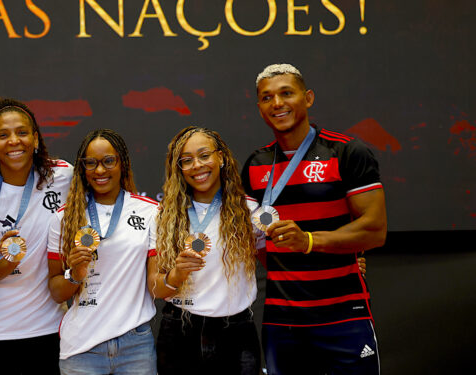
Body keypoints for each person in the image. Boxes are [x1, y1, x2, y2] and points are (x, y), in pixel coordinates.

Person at [242, 63, 387, 374]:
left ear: (307, 98)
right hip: (283, 321)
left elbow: (375, 230)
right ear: (259, 108)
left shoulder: (346, 151)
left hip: (344, 315)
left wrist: (308, 241)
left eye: (286, 93)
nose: (277, 104)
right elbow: (255, 240)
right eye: (267, 98)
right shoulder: (255, 164)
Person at [0, 97, 73, 375]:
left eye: (22, 132)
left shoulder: (63, 176)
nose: (14, 141)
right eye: (3, 135)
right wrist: (10, 262)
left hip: (52, 328)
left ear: (35, 139)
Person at [149, 126, 262, 374]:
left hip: (237, 331)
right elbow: (155, 288)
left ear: (220, 158)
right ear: (178, 169)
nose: (197, 165)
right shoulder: (163, 215)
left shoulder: (249, 211)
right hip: (179, 329)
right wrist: (175, 274)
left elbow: (278, 260)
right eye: (186, 161)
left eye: (204, 155)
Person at [47, 128, 158, 375]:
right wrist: (75, 273)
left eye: (108, 161)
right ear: (82, 167)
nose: (99, 171)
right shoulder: (63, 217)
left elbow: (155, 283)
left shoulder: (150, 211)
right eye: (91, 163)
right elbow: (56, 291)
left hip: (136, 345)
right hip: (82, 349)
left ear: (123, 163)